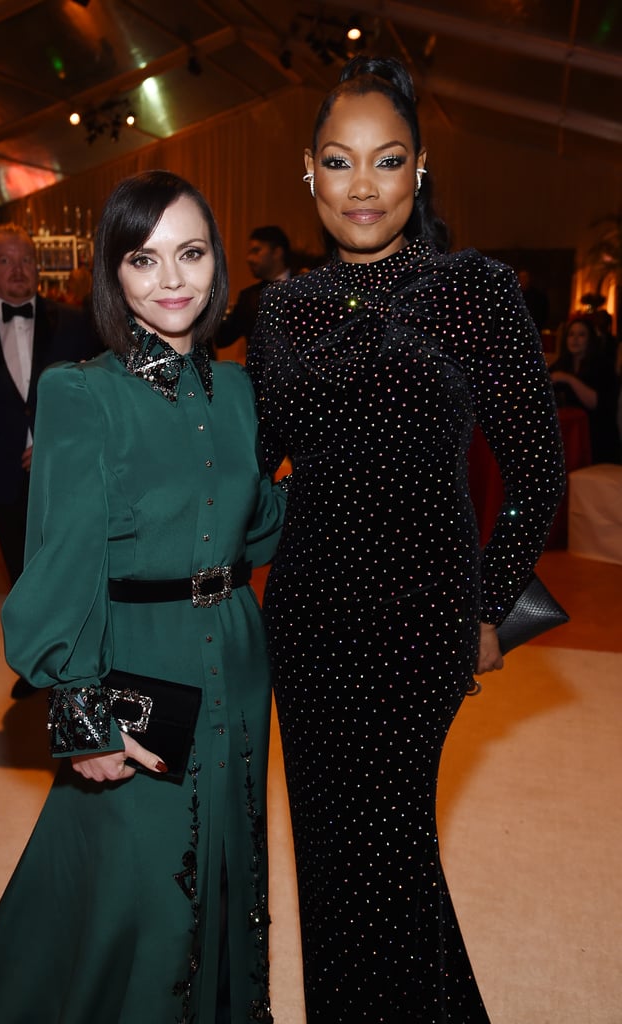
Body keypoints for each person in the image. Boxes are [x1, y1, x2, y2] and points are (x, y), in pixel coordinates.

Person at [248, 56, 565, 1023]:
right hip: (307, 624)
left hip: (421, 626)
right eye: (339, 162)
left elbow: (538, 471)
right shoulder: (279, 311)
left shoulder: (475, 291)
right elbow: (256, 470)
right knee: (344, 865)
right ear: (309, 173)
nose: (363, 187)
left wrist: (488, 607)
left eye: (387, 161)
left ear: (420, 167)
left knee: (383, 849)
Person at [0, 171, 287, 1024]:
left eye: (192, 253)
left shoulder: (241, 392)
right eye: (144, 258)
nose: (172, 279)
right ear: (114, 274)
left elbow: (264, 531)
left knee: (227, 866)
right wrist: (79, 716)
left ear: (217, 265)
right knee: (139, 883)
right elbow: (58, 564)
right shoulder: (81, 393)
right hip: (141, 654)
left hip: (238, 658)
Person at [0, 224, 101, 699]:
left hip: (68, 474)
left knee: (73, 567)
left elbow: (100, 394)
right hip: (1, 472)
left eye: (26, 259)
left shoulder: (74, 322)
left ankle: (81, 660)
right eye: (5, 261)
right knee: (22, 574)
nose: (18, 270)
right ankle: (36, 667)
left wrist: (62, 442)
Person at [550, 315, 621, 463]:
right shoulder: (562, 363)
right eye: (571, 334)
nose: (575, 339)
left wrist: (569, 379)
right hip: (567, 434)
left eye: (581, 335)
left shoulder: (602, 366)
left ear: (590, 340)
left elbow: (595, 403)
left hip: (596, 437)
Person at [213, 225, 291, 355]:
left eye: (256, 251)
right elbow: (222, 339)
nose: (249, 259)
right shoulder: (248, 297)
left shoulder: (306, 287)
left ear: (277, 252)